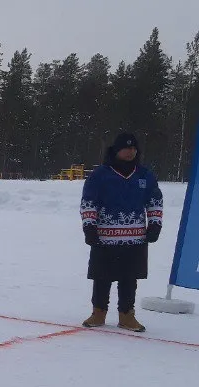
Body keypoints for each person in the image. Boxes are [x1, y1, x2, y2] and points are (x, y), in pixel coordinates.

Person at [79, 132, 163, 332]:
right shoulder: (100, 175)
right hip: (104, 238)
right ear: (117, 150)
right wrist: (89, 226)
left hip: (135, 239)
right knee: (102, 277)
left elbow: (154, 200)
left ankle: (127, 315)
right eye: (126, 148)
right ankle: (98, 311)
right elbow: (89, 201)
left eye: (134, 148)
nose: (130, 152)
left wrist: (155, 223)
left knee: (129, 278)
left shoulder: (145, 175)